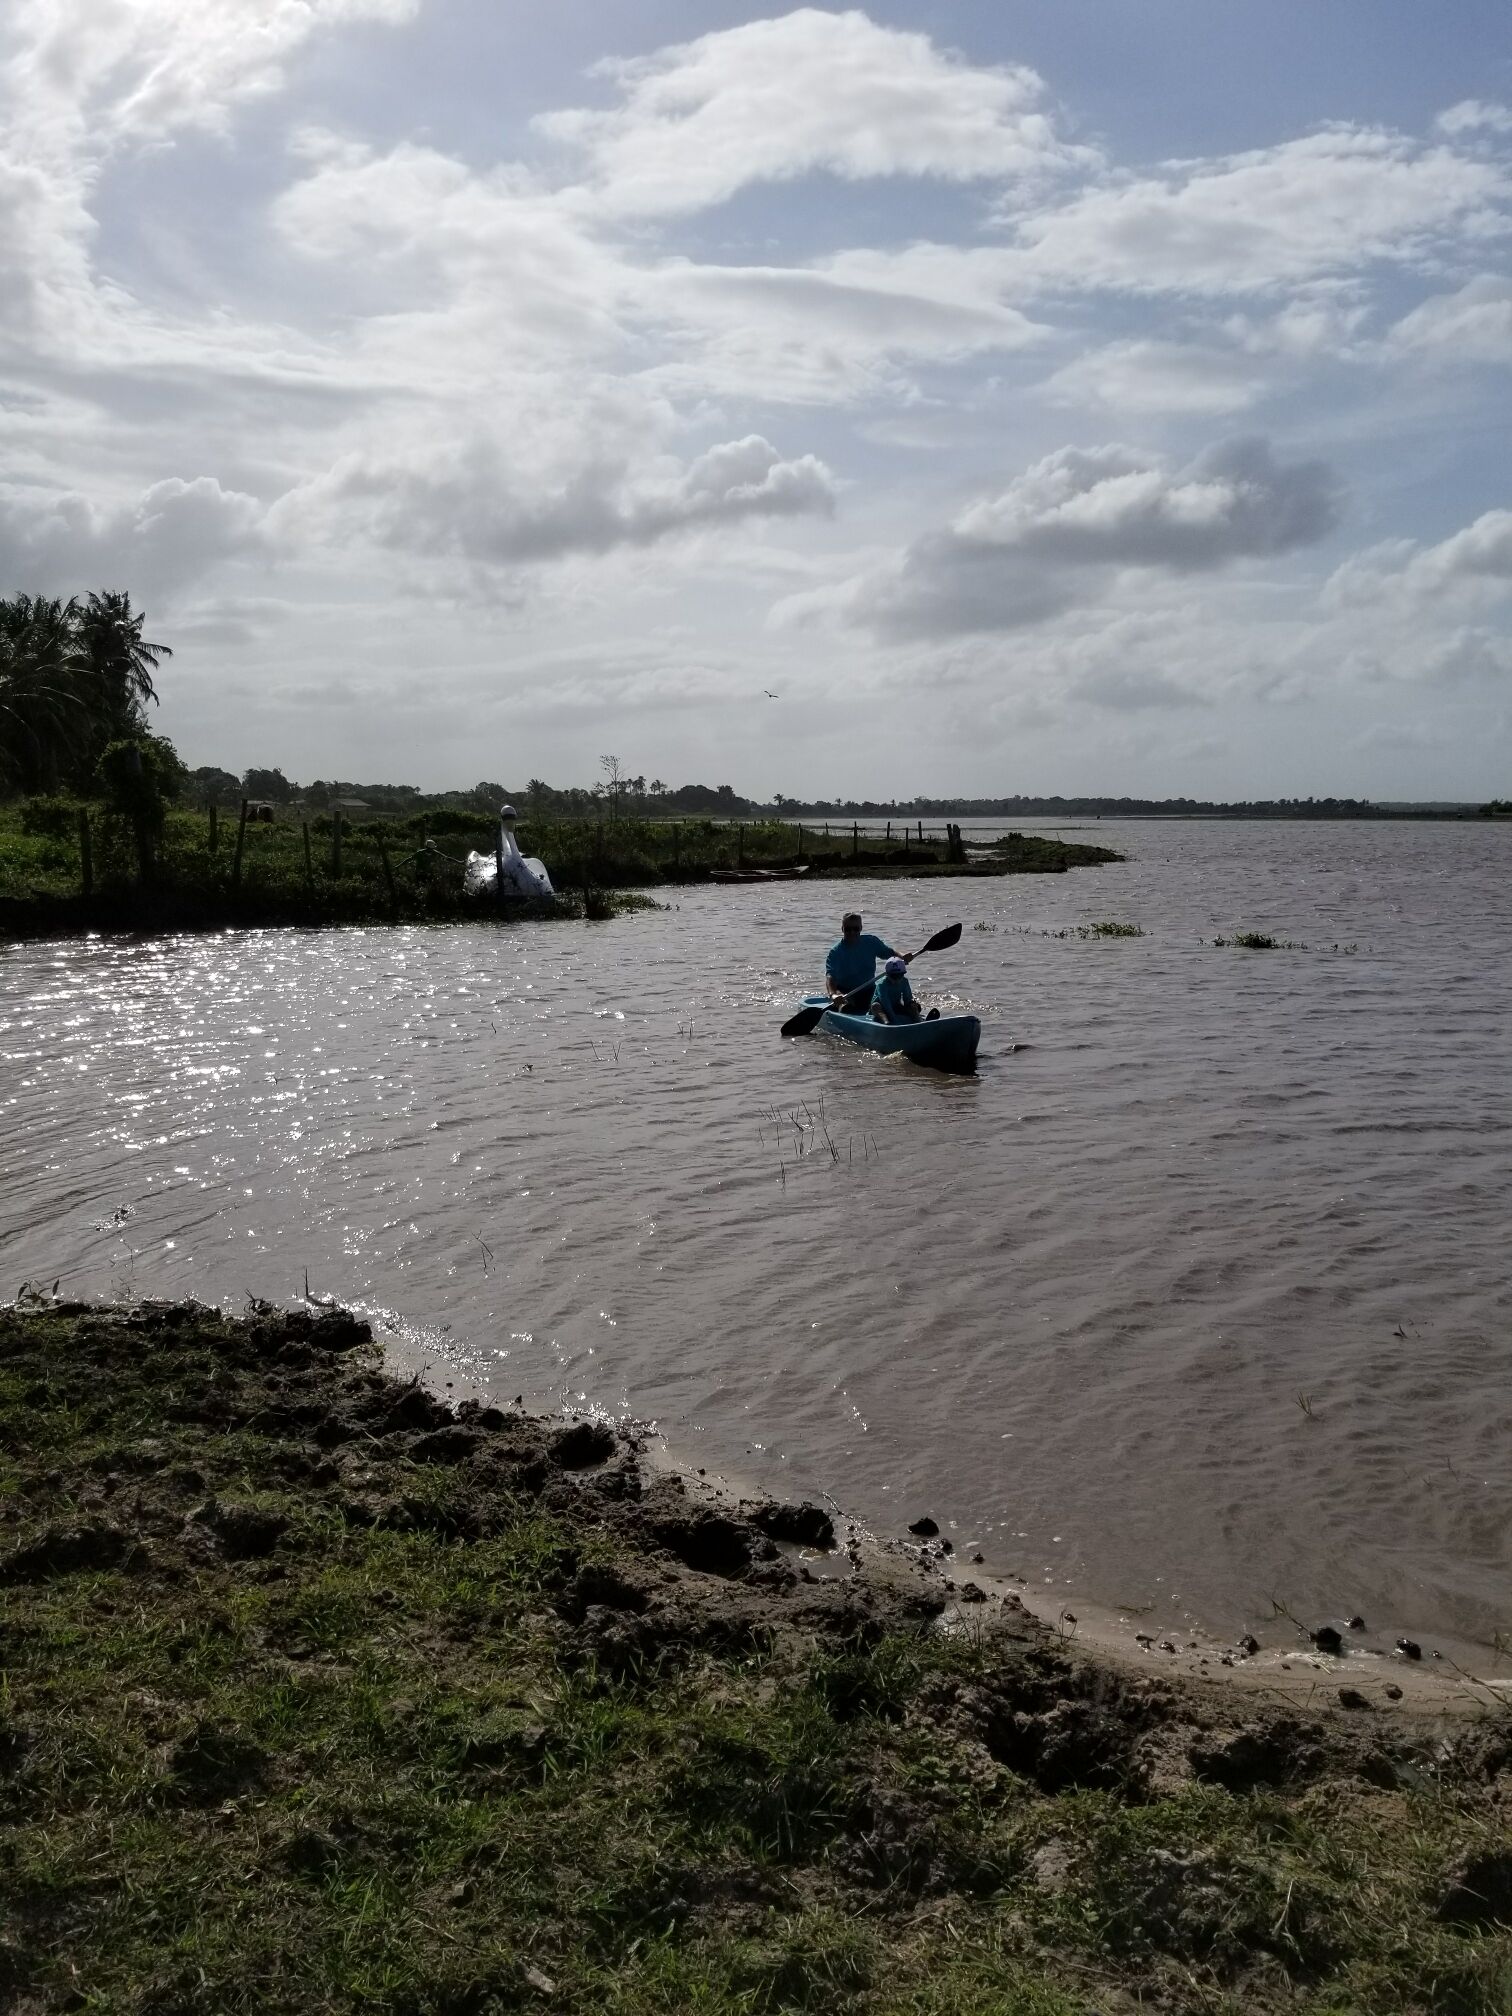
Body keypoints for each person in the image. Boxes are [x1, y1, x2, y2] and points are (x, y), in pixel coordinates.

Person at [825, 911, 901, 998]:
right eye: (848, 929)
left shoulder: (871, 942)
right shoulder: (835, 952)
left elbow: (890, 953)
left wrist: (902, 956)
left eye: (855, 929)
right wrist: (833, 994)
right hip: (845, 993)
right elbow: (830, 977)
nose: (852, 932)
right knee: (845, 1005)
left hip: (869, 990)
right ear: (842, 929)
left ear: (861, 928)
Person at [871, 954, 921, 1023]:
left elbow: (907, 999)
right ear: (887, 974)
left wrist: (912, 1010)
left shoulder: (904, 981)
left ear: (903, 974)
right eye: (893, 977)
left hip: (895, 1006)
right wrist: (894, 1019)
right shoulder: (882, 984)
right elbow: (885, 1002)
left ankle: (918, 1021)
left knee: (912, 1005)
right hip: (882, 1007)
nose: (896, 980)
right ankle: (886, 1021)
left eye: (899, 976)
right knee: (875, 1006)